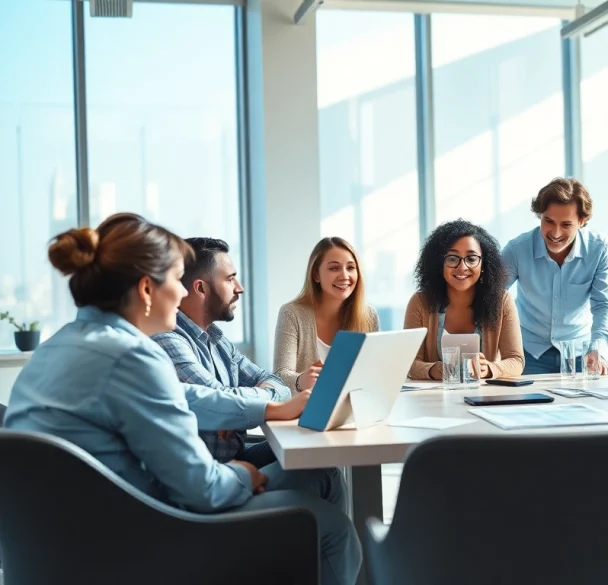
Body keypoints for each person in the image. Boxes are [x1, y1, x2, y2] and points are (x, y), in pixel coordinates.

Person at [3, 214, 360, 585]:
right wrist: (242, 473)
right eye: (176, 279)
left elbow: (185, 397)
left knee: (321, 480)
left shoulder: (58, 347)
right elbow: (204, 490)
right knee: (331, 525)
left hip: (51, 552)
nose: (182, 293)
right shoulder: (132, 356)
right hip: (138, 542)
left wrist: (266, 408)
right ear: (146, 289)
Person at [153, 237, 344, 508]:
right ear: (201, 288)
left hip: (235, 455)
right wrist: (239, 405)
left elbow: (276, 383)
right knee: (322, 478)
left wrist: (238, 406)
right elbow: (216, 398)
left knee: (324, 464)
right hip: (211, 478)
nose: (239, 288)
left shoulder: (217, 340)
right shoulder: (168, 339)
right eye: (230, 279)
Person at [502, 178, 608, 375]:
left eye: (566, 224)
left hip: (581, 354)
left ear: (582, 222)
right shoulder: (516, 250)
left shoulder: (600, 249)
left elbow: (603, 305)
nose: (555, 232)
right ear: (540, 216)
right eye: (548, 221)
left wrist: (597, 348)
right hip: (528, 354)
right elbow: (491, 299)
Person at [405, 219, 525, 380]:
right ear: (439, 263)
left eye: (471, 258)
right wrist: (433, 369)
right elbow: (409, 364)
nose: (462, 267)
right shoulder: (420, 302)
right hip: (433, 399)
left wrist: (489, 368)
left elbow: (516, 361)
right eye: (453, 258)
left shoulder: (501, 301)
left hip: (485, 399)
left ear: (484, 264)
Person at [275, 237, 379, 394]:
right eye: (334, 268)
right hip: (305, 410)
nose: (345, 276)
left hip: (356, 408)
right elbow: (280, 376)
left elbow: (374, 371)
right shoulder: (291, 313)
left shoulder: (368, 315)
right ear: (316, 274)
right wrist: (302, 380)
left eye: (350, 268)